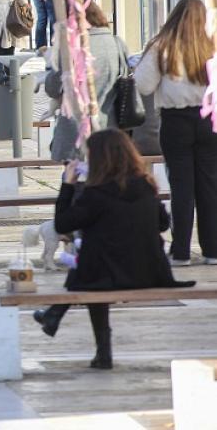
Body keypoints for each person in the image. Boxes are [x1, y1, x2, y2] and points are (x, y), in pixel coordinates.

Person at [32, 130, 194, 369]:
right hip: (149, 272)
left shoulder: (96, 194)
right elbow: (162, 224)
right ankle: (55, 318)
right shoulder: (146, 186)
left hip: (107, 275)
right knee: (91, 266)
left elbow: (62, 224)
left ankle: (93, 345)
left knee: (88, 270)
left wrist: (67, 186)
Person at [135, 0, 217, 266]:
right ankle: (212, 250)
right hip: (209, 120)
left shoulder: (163, 45)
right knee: (209, 187)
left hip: (175, 121)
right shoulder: (210, 46)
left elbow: (144, 85)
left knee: (182, 187)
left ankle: (180, 250)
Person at [45, 1, 130, 162]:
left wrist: (51, 65)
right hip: (109, 127)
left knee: (75, 179)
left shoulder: (71, 48)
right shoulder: (117, 43)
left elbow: (52, 87)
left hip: (75, 130)